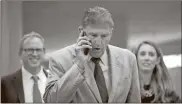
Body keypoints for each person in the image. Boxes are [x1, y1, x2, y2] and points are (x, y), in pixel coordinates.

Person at [44, 6, 141, 103]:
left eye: (104, 36)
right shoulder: (59, 59)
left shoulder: (128, 58)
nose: (98, 42)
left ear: (111, 33)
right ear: (81, 32)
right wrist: (78, 66)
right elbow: (51, 101)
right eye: (93, 35)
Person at [1, 32, 48, 103]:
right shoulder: (6, 83)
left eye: (38, 50)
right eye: (30, 50)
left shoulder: (55, 82)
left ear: (44, 52)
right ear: (20, 54)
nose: (34, 54)